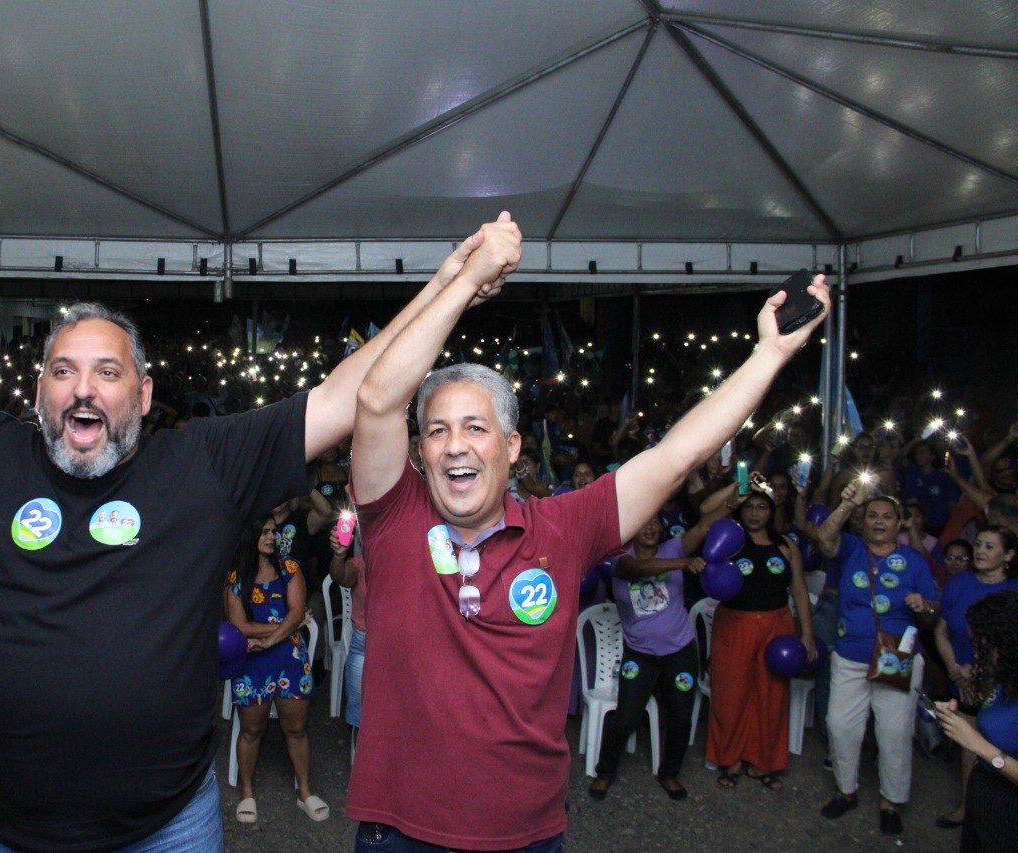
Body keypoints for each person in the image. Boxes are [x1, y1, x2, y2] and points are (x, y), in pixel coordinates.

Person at [0, 193, 502, 851]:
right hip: (6, 829)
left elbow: (350, 394)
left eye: (107, 371)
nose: (82, 387)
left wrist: (451, 286)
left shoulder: (201, 466)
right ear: (38, 390)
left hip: (167, 829)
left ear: (144, 394)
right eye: (63, 370)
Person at [346, 210, 829, 850]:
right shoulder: (395, 515)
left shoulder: (564, 527)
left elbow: (674, 457)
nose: (454, 445)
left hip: (524, 834)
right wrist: (464, 284)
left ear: (513, 446)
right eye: (436, 430)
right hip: (400, 832)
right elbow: (377, 399)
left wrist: (770, 355)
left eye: (475, 427)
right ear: (420, 450)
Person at [814, 482, 941, 835]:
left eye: (888, 517)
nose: (880, 522)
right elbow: (823, 540)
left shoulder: (914, 560)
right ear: (862, 522)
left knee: (894, 731)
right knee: (840, 725)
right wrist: (844, 504)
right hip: (850, 654)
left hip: (895, 654)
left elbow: (933, 611)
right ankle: (846, 790)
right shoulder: (851, 547)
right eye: (872, 516)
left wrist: (923, 605)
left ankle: (891, 801)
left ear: (900, 523)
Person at [589, 505, 729, 802]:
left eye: (655, 522)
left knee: (680, 718)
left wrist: (735, 498)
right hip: (640, 654)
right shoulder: (620, 558)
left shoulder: (673, 547)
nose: (651, 528)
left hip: (680, 651)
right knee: (625, 718)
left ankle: (670, 773)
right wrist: (682, 563)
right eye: (643, 522)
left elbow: (704, 526)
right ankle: (606, 771)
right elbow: (637, 570)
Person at [707, 491, 816, 790]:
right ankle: (730, 760)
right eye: (749, 507)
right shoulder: (730, 544)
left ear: (771, 510)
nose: (755, 513)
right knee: (731, 695)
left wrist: (807, 635)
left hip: (776, 626)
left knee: (771, 696)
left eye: (761, 507)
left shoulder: (786, 546)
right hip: (734, 624)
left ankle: (764, 761)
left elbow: (799, 592)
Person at [225, 517, 324, 824]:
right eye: (265, 531)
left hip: (289, 660)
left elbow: (296, 614)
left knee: (296, 730)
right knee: (251, 731)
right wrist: (275, 631)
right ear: (250, 535)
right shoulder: (235, 579)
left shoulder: (290, 569)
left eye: (273, 531)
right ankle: (247, 793)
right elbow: (240, 627)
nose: (271, 536)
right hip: (252, 665)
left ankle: (305, 793)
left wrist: (267, 641)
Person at [932, 526, 1018, 828]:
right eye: (978, 544)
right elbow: (941, 630)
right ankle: (969, 808)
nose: (980, 551)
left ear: (1009, 556)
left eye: (990, 547)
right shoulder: (959, 583)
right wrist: (958, 670)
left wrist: (984, 677)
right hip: (965, 680)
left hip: (998, 685)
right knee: (970, 741)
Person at [326, 524, 366, 732]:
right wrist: (339, 556)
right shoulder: (360, 564)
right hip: (365, 644)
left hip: (400, 644)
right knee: (361, 719)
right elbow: (339, 576)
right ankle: (361, 763)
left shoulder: (409, 564)